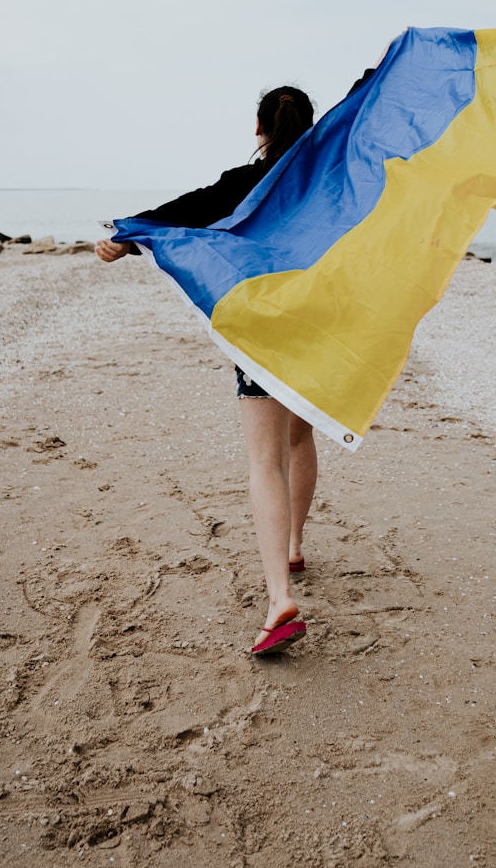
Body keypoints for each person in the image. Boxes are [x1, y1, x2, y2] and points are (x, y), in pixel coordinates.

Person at [96, 86, 318, 656]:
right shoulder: (331, 179)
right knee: (300, 436)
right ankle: (295, 544)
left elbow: (182, 213)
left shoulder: (242, 183)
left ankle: (280, 598)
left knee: (265, 460)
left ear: (258, 128)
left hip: (263, 329)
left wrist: (125, 235)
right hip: (322, 327)